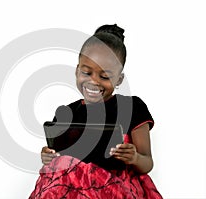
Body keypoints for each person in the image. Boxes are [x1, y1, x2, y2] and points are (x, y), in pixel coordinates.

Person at [29, 24, 162, 199]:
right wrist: (49, 157)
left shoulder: (132, 107)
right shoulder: (66, 113)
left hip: (115, 187)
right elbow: (60, 160)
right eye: (86, 72)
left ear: (119, 79)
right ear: (77, 71)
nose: (93, 82)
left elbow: (147, 163)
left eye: (105, 76)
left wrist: (135, 157)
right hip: (71, 190)